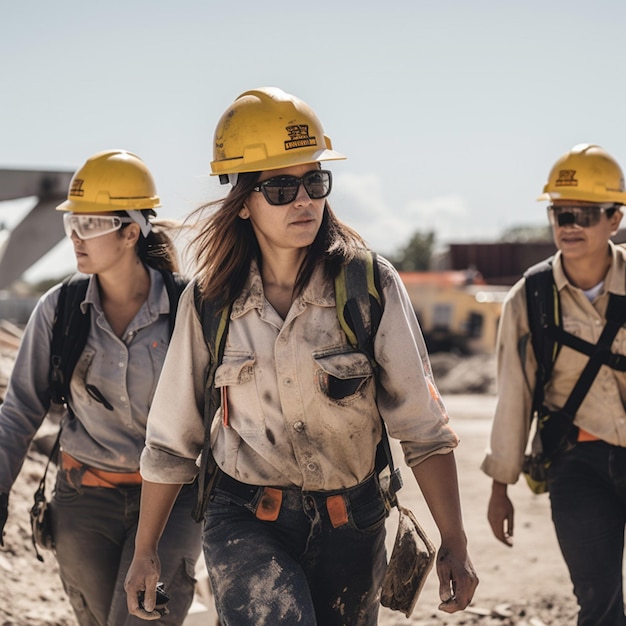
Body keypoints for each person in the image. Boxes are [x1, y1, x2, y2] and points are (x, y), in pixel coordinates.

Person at [124, 87, 478, 626]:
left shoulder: (369, 287)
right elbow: (172, 439)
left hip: (354, 523)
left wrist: (454, 540)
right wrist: (145, 551)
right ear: (243, 201)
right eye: (282, 187)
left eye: (315, 182)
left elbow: (424, 429)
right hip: (245, 519)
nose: (304, 200)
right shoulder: (210, 301)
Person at [0, 150, 202, 626]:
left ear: (131, 231)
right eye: (73, 222)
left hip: (173, 501)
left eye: (91, 224)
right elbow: (19, 411)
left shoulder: (189, 307)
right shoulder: (59, 310)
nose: (75, 235)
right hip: (84, 501)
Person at [482, 144, 626, 625]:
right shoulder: (531, 297)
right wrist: (501, 484)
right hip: (576, 464)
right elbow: (514, 395)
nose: (569, 224)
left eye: (584, 214)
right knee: (599, 601)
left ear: (615, 217)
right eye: (560, 212)